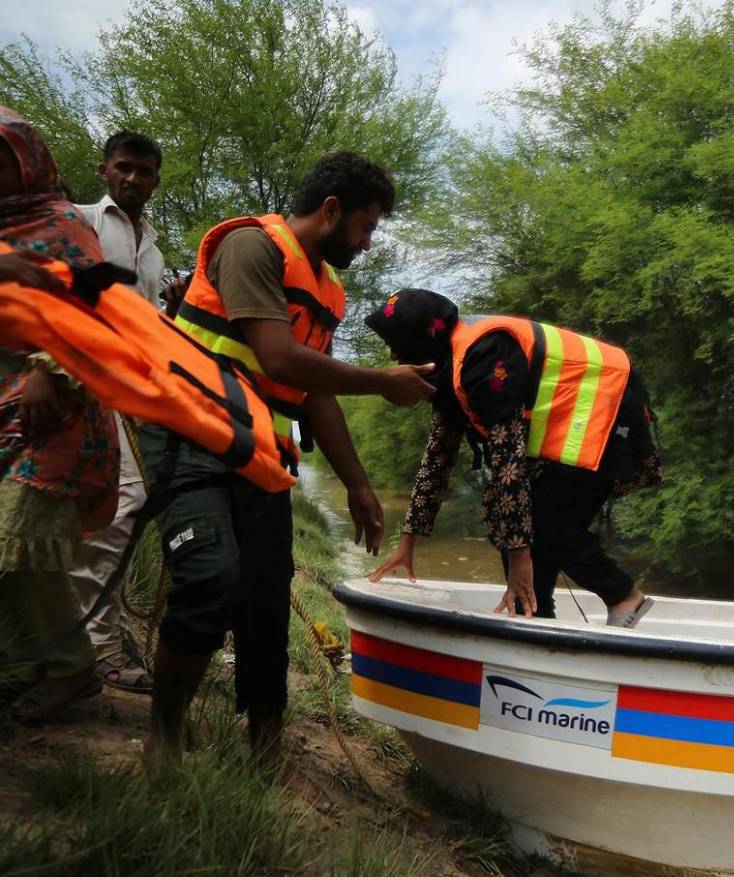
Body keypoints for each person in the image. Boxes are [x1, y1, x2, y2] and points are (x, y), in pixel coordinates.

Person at [142, 151, 435, 767]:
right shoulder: (251, 247)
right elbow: (279, 357)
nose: (367, 242)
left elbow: (314, 391)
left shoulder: (328, 289)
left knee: (267, 603)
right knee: (210, 578)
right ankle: (164, 738)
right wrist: (382, 381)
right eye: (366, 226)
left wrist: (357, 484)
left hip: (262, 455)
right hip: (190, 434)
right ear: (331, 210)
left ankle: (266, 752)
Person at [365, 290, 662, 627]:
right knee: (519, 528)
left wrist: (519, 558)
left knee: (540, 524)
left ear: (422, 337)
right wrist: (407, 542)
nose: (393, 354)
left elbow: (508, 461)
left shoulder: (485, 358)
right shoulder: (451, 366)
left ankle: (622, 596)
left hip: (605, 416)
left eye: (397, 344)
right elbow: (437, 458)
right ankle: (533, 617)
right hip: (570, 431)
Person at [0, 105, 120, 718]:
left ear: (27, 162)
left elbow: (95, 308)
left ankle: (72, 670)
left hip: (61, 408)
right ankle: (26, 667)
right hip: (5, 407)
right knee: (7, 550)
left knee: (27, 540)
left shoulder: (64, 223)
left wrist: (49, 369)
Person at [69, 131, 166, 694]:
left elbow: (145, 321)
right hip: (75, 386)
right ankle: (94, 646)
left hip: (131, 394)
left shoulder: (152, 247)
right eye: (124, 167)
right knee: (113, 511)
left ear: (155, 180)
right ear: (105, 169)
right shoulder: (80, 221)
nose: (133, 178)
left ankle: (93, 637)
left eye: (144, 171)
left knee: (118, 510)